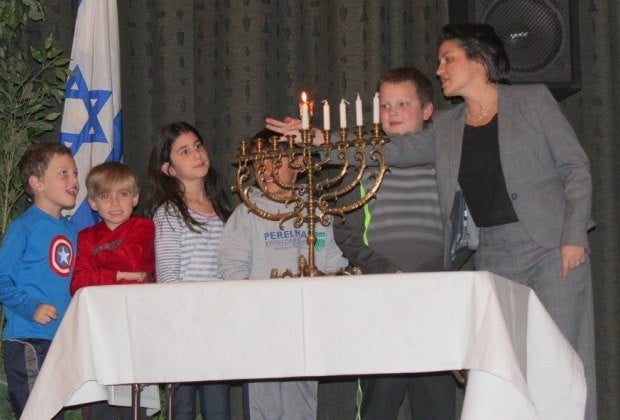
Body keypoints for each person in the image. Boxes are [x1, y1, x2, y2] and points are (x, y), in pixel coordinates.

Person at [267, 24, 596, 419]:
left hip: (549, 248)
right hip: (495, 256)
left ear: (478, 61)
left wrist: (573, 235)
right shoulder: (447, 126)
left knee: (564, 360)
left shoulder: (532, 100)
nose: (439, 69)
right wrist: (320, 140)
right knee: (505, 370)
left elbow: (575, 168)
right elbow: (388, 151)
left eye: (447, 59)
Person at [334, 67, 458, 419]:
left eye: (403, 104)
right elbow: (345, 233)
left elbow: (464, 230)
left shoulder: (446, 164)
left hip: (434, 297)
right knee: (379, 401)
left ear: (428, 111)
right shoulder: (361, 166)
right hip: (381, 297)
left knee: (436, 402)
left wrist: (434, 272)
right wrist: (386, 270)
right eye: (385, 105)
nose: (392, 113)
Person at [218, 128, 348, 420]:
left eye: (275, 161)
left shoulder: (315, 211)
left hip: (303, 326)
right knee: (263, 406)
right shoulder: (246, 213)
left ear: (299, 163)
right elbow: (231, 266)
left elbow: (331, 261)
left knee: (301, 404)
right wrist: (255, 304)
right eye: (258, 163)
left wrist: (330, 284)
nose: (265, 170)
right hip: (261, 328)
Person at [144, 121, 232, 420]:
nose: (196, 154)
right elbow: (168, 276)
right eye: (184, 151)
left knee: (218, 409)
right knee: (181, 408)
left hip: (217, 326)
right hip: (184, 326)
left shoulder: (222, 208)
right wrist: (184, 322)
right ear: (168, 169)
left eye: (198, 146)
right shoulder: (169, 212)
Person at [70, 161, 155, 419]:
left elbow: (133, 261)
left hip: (135, 327)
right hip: (100, 330)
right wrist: (118, 275)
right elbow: (78, 284)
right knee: (99, 406)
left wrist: (98, 257)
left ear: (135, 198)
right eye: (106, 196)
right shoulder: (86, 236)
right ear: (93, 203)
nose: (115, 203)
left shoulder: (144, 227)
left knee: (135, 407)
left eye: (123, 194)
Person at [0, 142, 79, 418]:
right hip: (29, 339)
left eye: (75, 173)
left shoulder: (72, 230)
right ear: (37, 183)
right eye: (63, 173)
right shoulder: (23, 227)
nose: (74, 180)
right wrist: (31, 308)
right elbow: (2, 280)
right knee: (37, 413)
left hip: (59, 340)